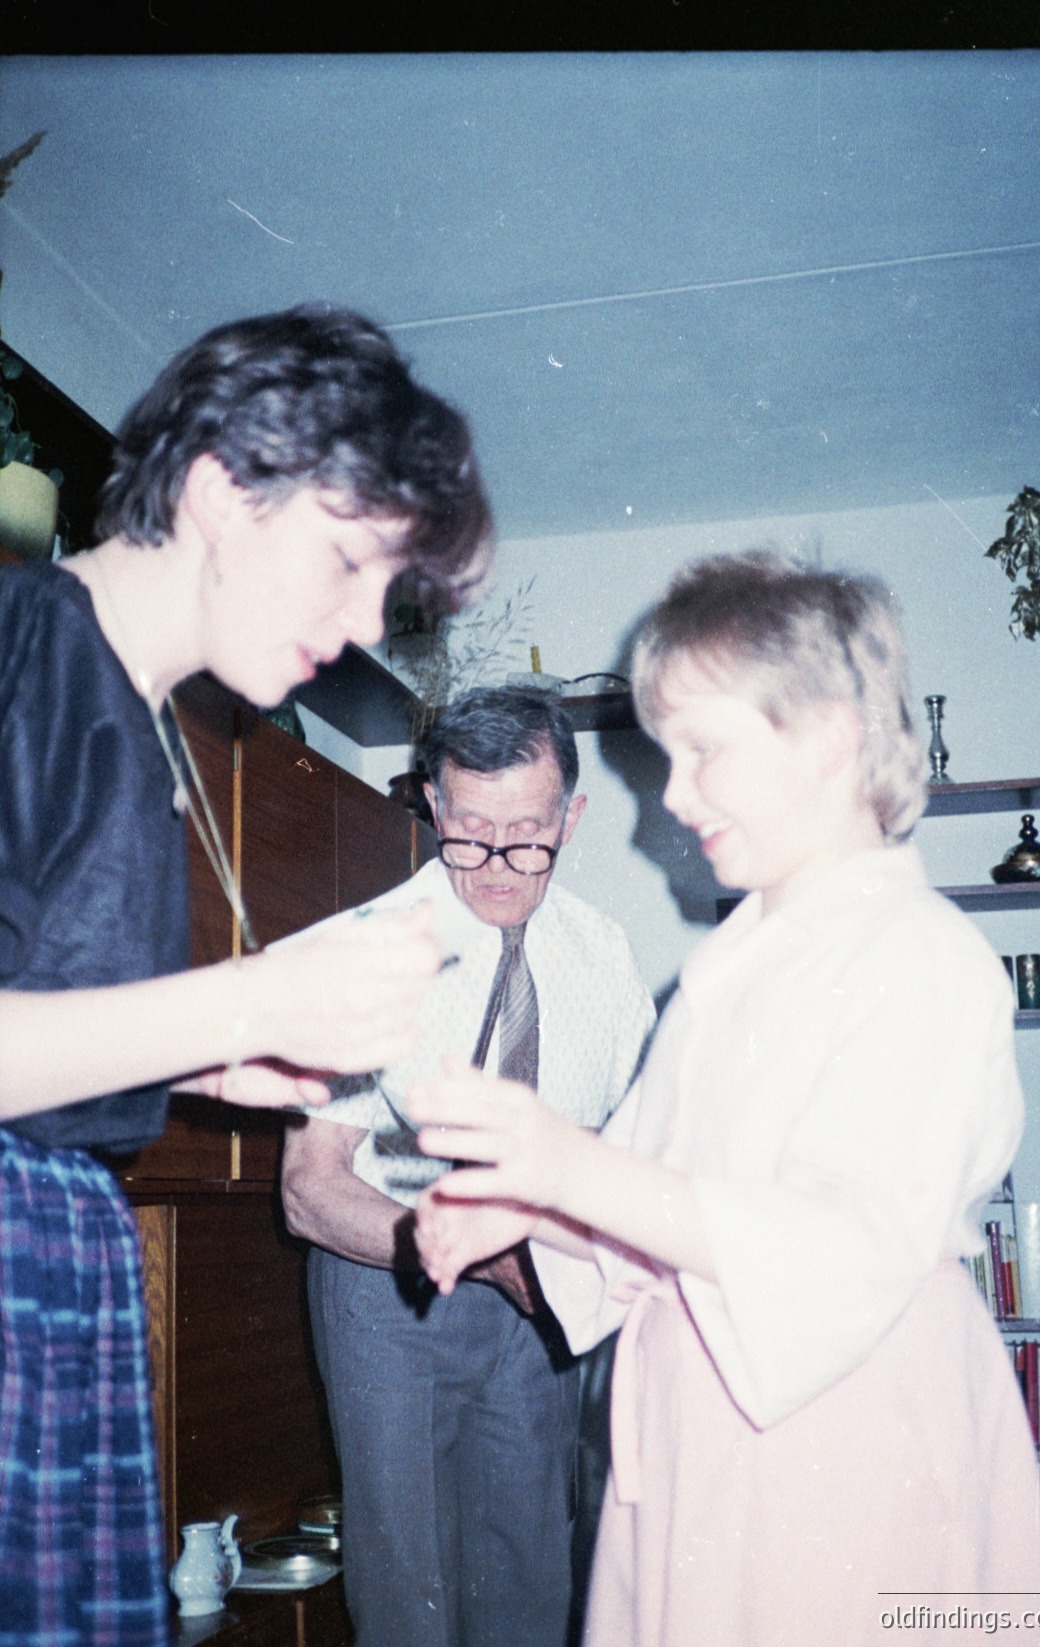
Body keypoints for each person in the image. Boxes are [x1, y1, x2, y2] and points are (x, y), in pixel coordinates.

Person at [408, 553, 1040, 1647]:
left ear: (829, 735)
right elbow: (653, 1191)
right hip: (702, 1439)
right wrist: (525, 1211)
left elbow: (846, 1237)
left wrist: (562, 1168)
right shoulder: (729, 968)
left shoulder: (919, 953)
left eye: (703, 751)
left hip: (842, 1436)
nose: (671, 797)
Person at [0, 303, 493, 1647]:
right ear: (220, 489)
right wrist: (247, 1002)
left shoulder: (143, 720)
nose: (358, 622)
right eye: (344, 562)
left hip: (66, 1257)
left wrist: (217, 1060)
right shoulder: (25, 641)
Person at [281, 685, 655, 1647]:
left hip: (539, 1304)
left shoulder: (603, 957)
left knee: (530, 1572)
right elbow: (309, 1188)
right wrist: (465, 1248)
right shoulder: (369, 950)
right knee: (408, 1587)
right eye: (469, 830)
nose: (493, 864)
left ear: (571, 817)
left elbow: (632, 1151)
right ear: (434, 807)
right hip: (388, 1293)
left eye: (526, 835)